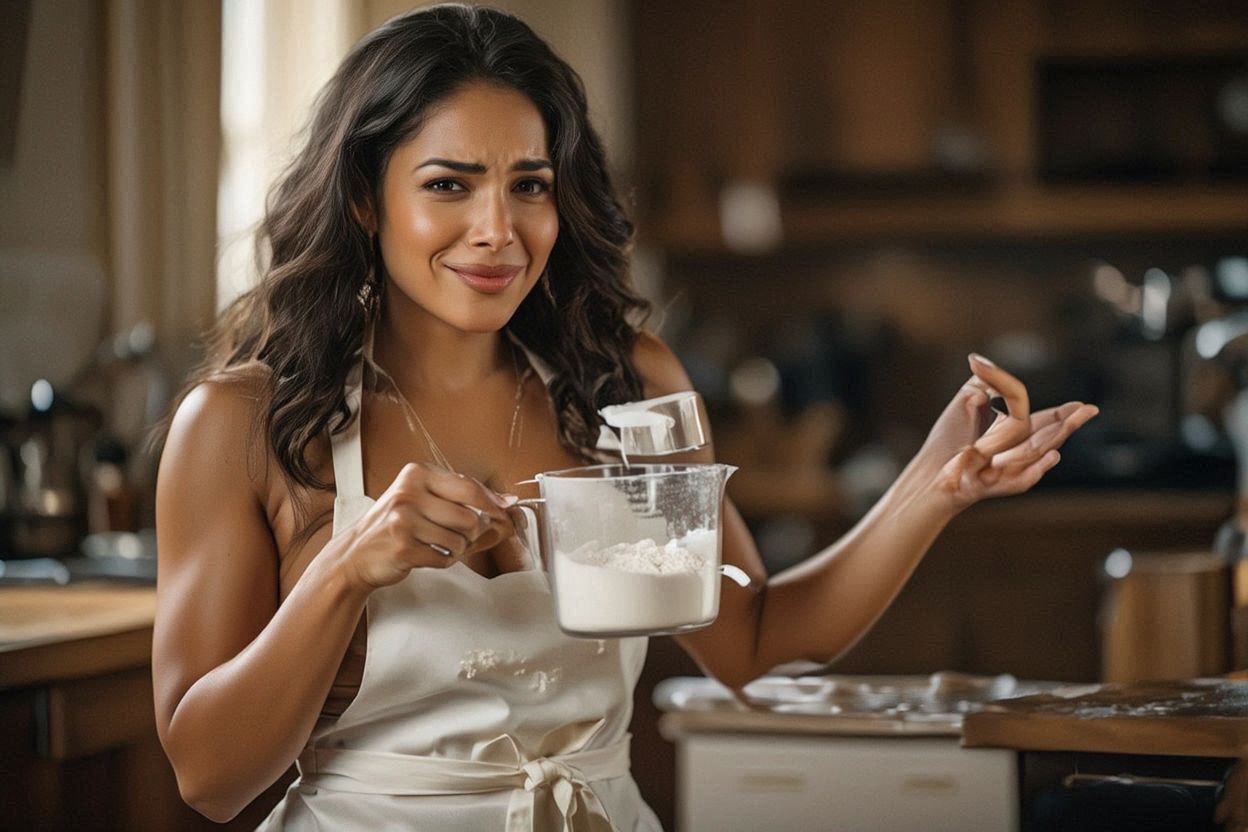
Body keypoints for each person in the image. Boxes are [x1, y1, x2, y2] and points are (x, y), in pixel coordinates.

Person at [152, 4, 1098, 830]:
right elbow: (210, 779)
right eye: (448, 184)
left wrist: (936, 487)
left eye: (530, 184)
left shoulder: (627, 383)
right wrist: (345, 571)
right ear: (366, 198)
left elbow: (754, 641)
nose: (498, 230)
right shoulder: (241, 424)